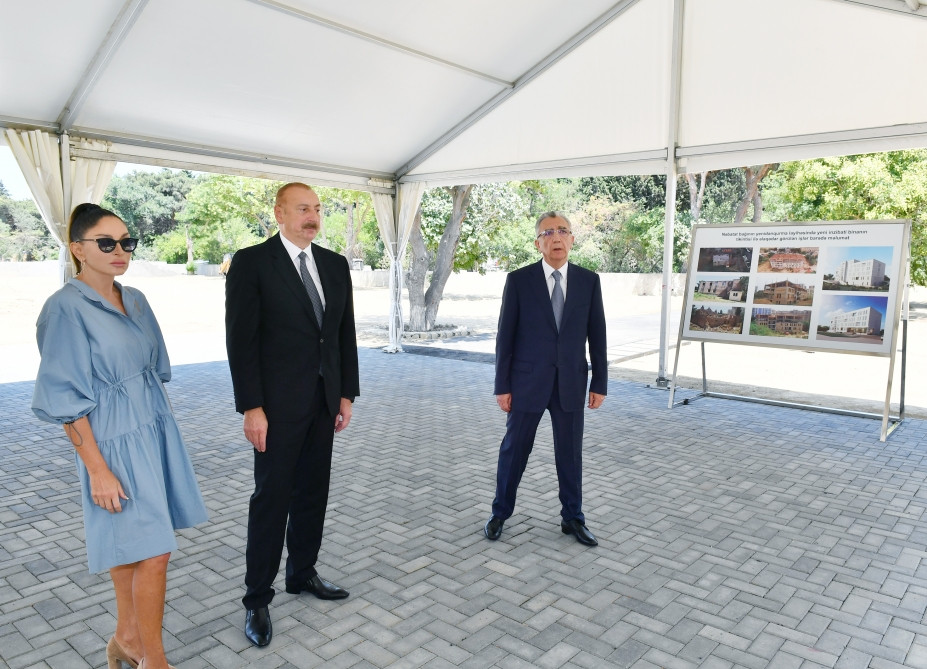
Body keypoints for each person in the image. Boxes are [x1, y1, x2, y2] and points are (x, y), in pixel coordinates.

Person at [31, 203, 208, 669]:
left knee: (135, 545)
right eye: (106, 242)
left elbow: (154, 367)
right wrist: (97, 470)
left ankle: (127, 639)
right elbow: (65, 400)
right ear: (78, 249)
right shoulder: (64, 309)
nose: (120, 251)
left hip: (153, 429)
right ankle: (155, 661)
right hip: (111, 440)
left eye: (127, 242)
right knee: (155, 552)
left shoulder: (136, 299)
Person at [225, 182, 360, 648]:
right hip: (276, 409)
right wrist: (252, 407)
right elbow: (241, 342)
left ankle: (302, 573)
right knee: (272, 499)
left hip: (323, 403)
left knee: (312, 494)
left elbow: (343, 335)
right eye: (303, 208)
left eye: (317, 209)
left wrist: (346, 394)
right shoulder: (252, 263)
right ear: (279, 213)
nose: (312, 216)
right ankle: (257, 598)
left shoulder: (334, 264)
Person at [484, 212, 607, 547]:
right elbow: (505, 337)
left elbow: (597, 335)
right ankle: (499, 513)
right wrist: (502, 386)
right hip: (527, 383)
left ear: (572, 239)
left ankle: (573, 517)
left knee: (570, 454)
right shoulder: (519, 281)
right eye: (548, 232)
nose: (556, 238)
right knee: (514, 451)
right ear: (538, 242)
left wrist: (599, 383)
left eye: (563, 231)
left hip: (571, 383)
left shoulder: (589, 281)